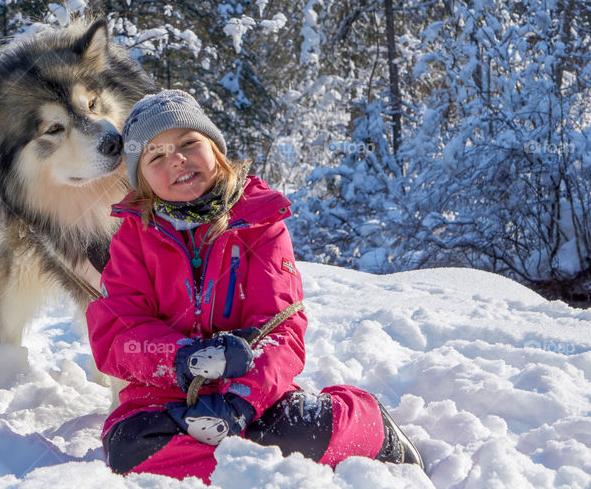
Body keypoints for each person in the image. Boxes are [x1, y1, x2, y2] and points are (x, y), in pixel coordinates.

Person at [86, 90, 425, 483]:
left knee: (297, 433)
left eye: (188, 143)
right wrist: (183, 358)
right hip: (163, 401)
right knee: (127, 449)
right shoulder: (132, 238)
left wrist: (240, 403)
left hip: (256, 398)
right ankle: (248, 468)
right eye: (156, 156)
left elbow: (282, 327)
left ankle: (369, 420)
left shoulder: (259, 221)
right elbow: (116, 334)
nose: (176, 159)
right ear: (141, 178)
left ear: (214, 147)